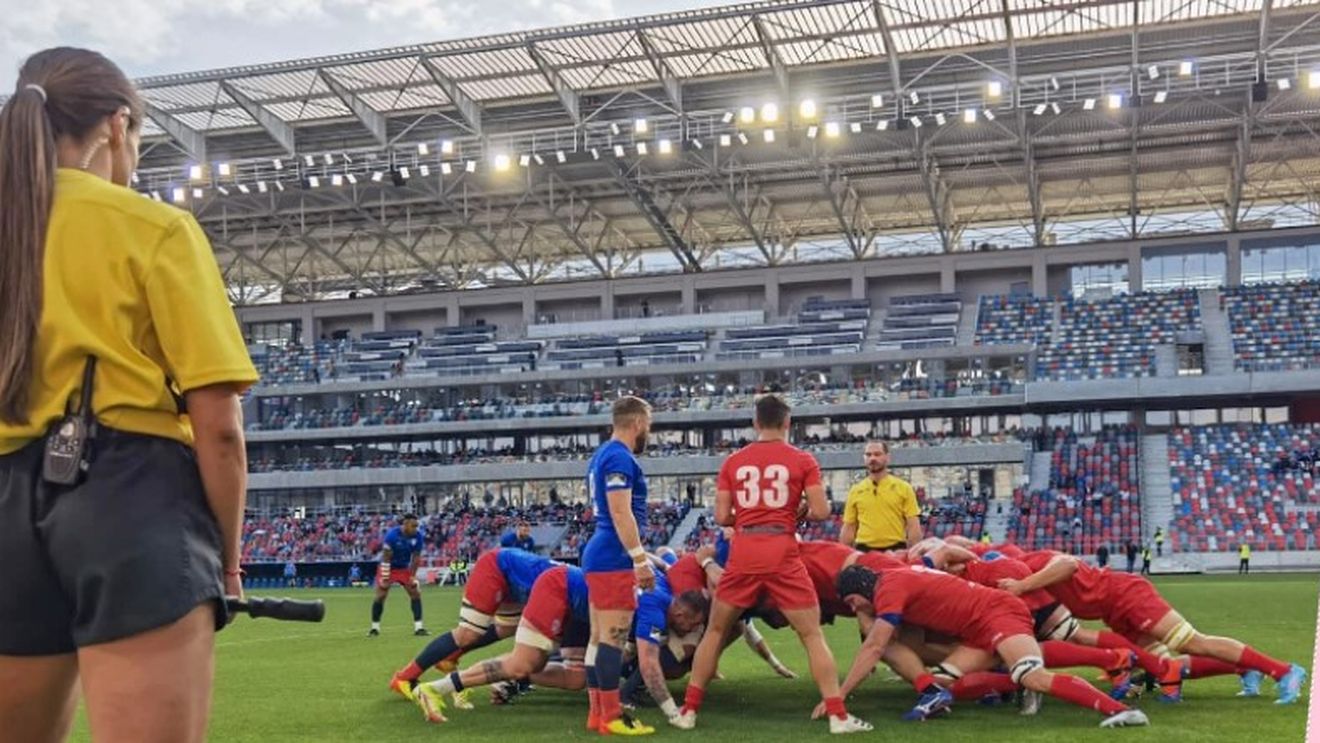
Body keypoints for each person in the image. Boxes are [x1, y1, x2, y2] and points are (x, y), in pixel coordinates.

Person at [0, 48, 259, 743]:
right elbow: (221, 429)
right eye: (137, 141)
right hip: (130, 497)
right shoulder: (154, 228)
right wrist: (227, 561)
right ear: (116, 127)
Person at [672, 394, 871, 734]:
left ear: (756, 423)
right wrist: (798, 511)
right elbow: (822, 511)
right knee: (811, 634)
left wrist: (749, 517)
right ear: (787, 423)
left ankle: (688, 711)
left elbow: (721, 516)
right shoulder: (802, 459)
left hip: (745, 548)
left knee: (716, 631)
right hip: (782, 548)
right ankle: (837, 716)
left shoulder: (733, 462)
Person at [832, 564, 1149, 728]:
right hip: (979, 626)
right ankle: (1014, 683)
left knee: (1031, 674)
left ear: (860, 587)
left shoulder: (888, 587)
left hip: (998, 614)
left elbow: (875, 645)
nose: (856, 607)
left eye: (852, 601)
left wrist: (839, 697)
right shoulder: (893, 579)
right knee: (941, 684)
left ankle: (1123, 711)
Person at [1002, 550, 1307, 704]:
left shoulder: (1029, 564)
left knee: (1191, 642)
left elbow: (1067, 564)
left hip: (1127, 595)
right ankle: (1242, 667)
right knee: (1166, 666)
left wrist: (1021, 584)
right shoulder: (1024, 577)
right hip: (1113, 610)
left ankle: (1284, 671)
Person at [414, 565, 600, 723]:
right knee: (522, 664)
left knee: (576, 678)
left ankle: (509, 677)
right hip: (561, 590)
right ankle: (434, 688)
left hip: (582, 608)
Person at [389, 546, 557, 706]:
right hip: (495, 568)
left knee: (507, 627)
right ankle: (404, 678)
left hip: (514, 580)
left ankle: (450, 657)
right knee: (466, 634)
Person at [582, 396, 656, 735]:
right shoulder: (618, 457)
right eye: (649, 425)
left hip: (601, 551)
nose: (648, 432)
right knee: (612, 638)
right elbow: (620, 511)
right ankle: (612, 717)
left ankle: (598, 714)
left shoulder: (603, 455)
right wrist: (640, 559)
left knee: (599, 639)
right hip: (613, 554)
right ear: (638, 422)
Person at [839, 441, 921, 552]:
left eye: (877, 454)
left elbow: (913, 525)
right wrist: (843, 555)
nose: (872, 458)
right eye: (868, 455)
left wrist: (914, 553)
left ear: (887, 457)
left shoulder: (903, 488)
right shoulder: (856, 490)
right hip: (864, 551)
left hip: (895, 550)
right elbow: (849, 527)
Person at [370, 514, 428, 637]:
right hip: (389, 567)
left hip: (403, 568)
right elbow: (386, 558)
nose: (415, 528)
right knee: (381, 595)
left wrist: (412, 576)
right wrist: (385, 578)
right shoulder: (392, 536)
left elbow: (416, 558)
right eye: (413, 526)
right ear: (405, 524)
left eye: (417, 526)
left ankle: (419, 628)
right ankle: (374, 628)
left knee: (415, 592)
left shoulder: (418, 537)